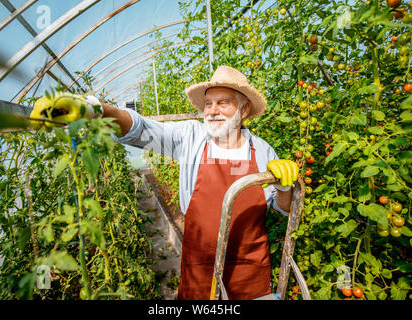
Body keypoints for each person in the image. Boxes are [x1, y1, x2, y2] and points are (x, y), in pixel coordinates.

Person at [30, 65, 299, 300]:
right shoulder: (191, 138)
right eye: (208, 103)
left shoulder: (262, 151)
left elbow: (284, 208)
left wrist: (286, 187)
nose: (213, 111)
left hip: (249, 270)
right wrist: (97, 111)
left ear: (244, 109)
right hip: (201, 270)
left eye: (223, 103)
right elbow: (141, 129)